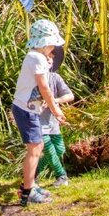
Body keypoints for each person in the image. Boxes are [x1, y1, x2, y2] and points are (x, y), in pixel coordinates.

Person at [12, 19, 67, 206]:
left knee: (38, 146)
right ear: (44, 42)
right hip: (25, 110)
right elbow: (44, 87)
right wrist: (56, 109)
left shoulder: (39, 58)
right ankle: (27, 191)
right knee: (35, 149)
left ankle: (30, 184)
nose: (53, 47)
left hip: (29, 109)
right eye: (52, 43)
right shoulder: (35, 57)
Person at [37, 44, 74, 187]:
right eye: (47, 57)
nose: (49, 60)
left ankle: (34, 172)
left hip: (53, 121)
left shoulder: (55, 77)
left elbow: (70, 95)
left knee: (59, 149)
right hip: (38, 121)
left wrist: (54, 101)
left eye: (51, 58)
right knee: (49, 148)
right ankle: (62, 176)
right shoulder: (34, 78)